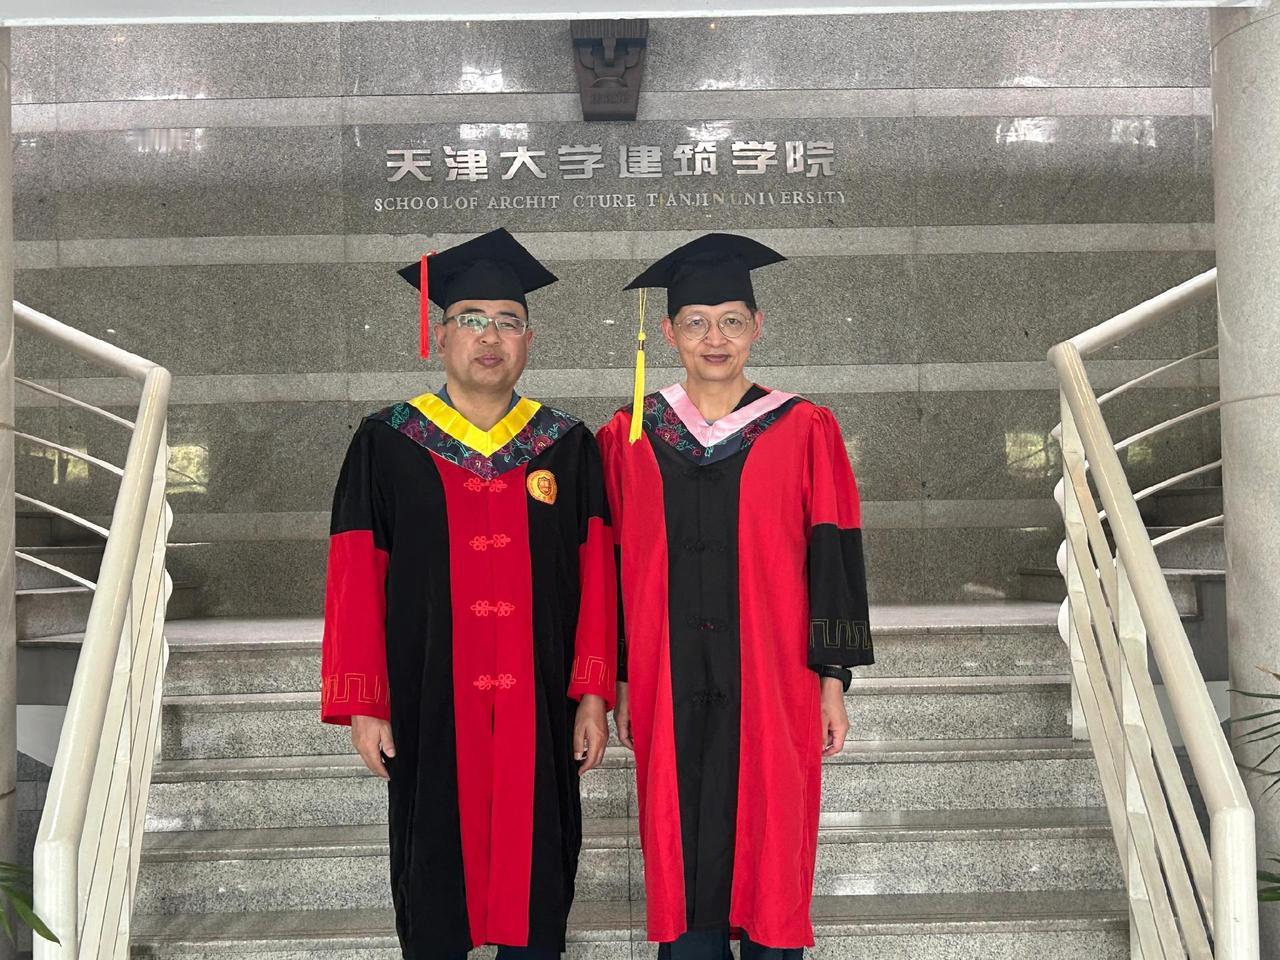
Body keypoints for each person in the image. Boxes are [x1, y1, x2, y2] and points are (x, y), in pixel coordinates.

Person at [320, 227, 617, 960]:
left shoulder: (565, 445)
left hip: (541, 704)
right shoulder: (388, 442)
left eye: (508, 321)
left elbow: (597, 576)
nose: (490, 336)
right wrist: (365, 701)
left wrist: (592, 695)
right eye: (472, 320)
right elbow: (355, 574)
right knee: (433, 882)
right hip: (428, 701)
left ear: (529, 340)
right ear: (441, 336)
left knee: (538, 883)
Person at [597, 233, 873, 959]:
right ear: (668, 334)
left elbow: (835, 555)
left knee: (772, 837)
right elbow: (611, 568)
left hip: (775, 677)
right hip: (666, 677)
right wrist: (619, 678)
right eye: (696, 323)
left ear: (757, 327)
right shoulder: (628, 435)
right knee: (680, 841)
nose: (713, 339)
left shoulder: (805, 426)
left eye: (730, 321)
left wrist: (833, 680)